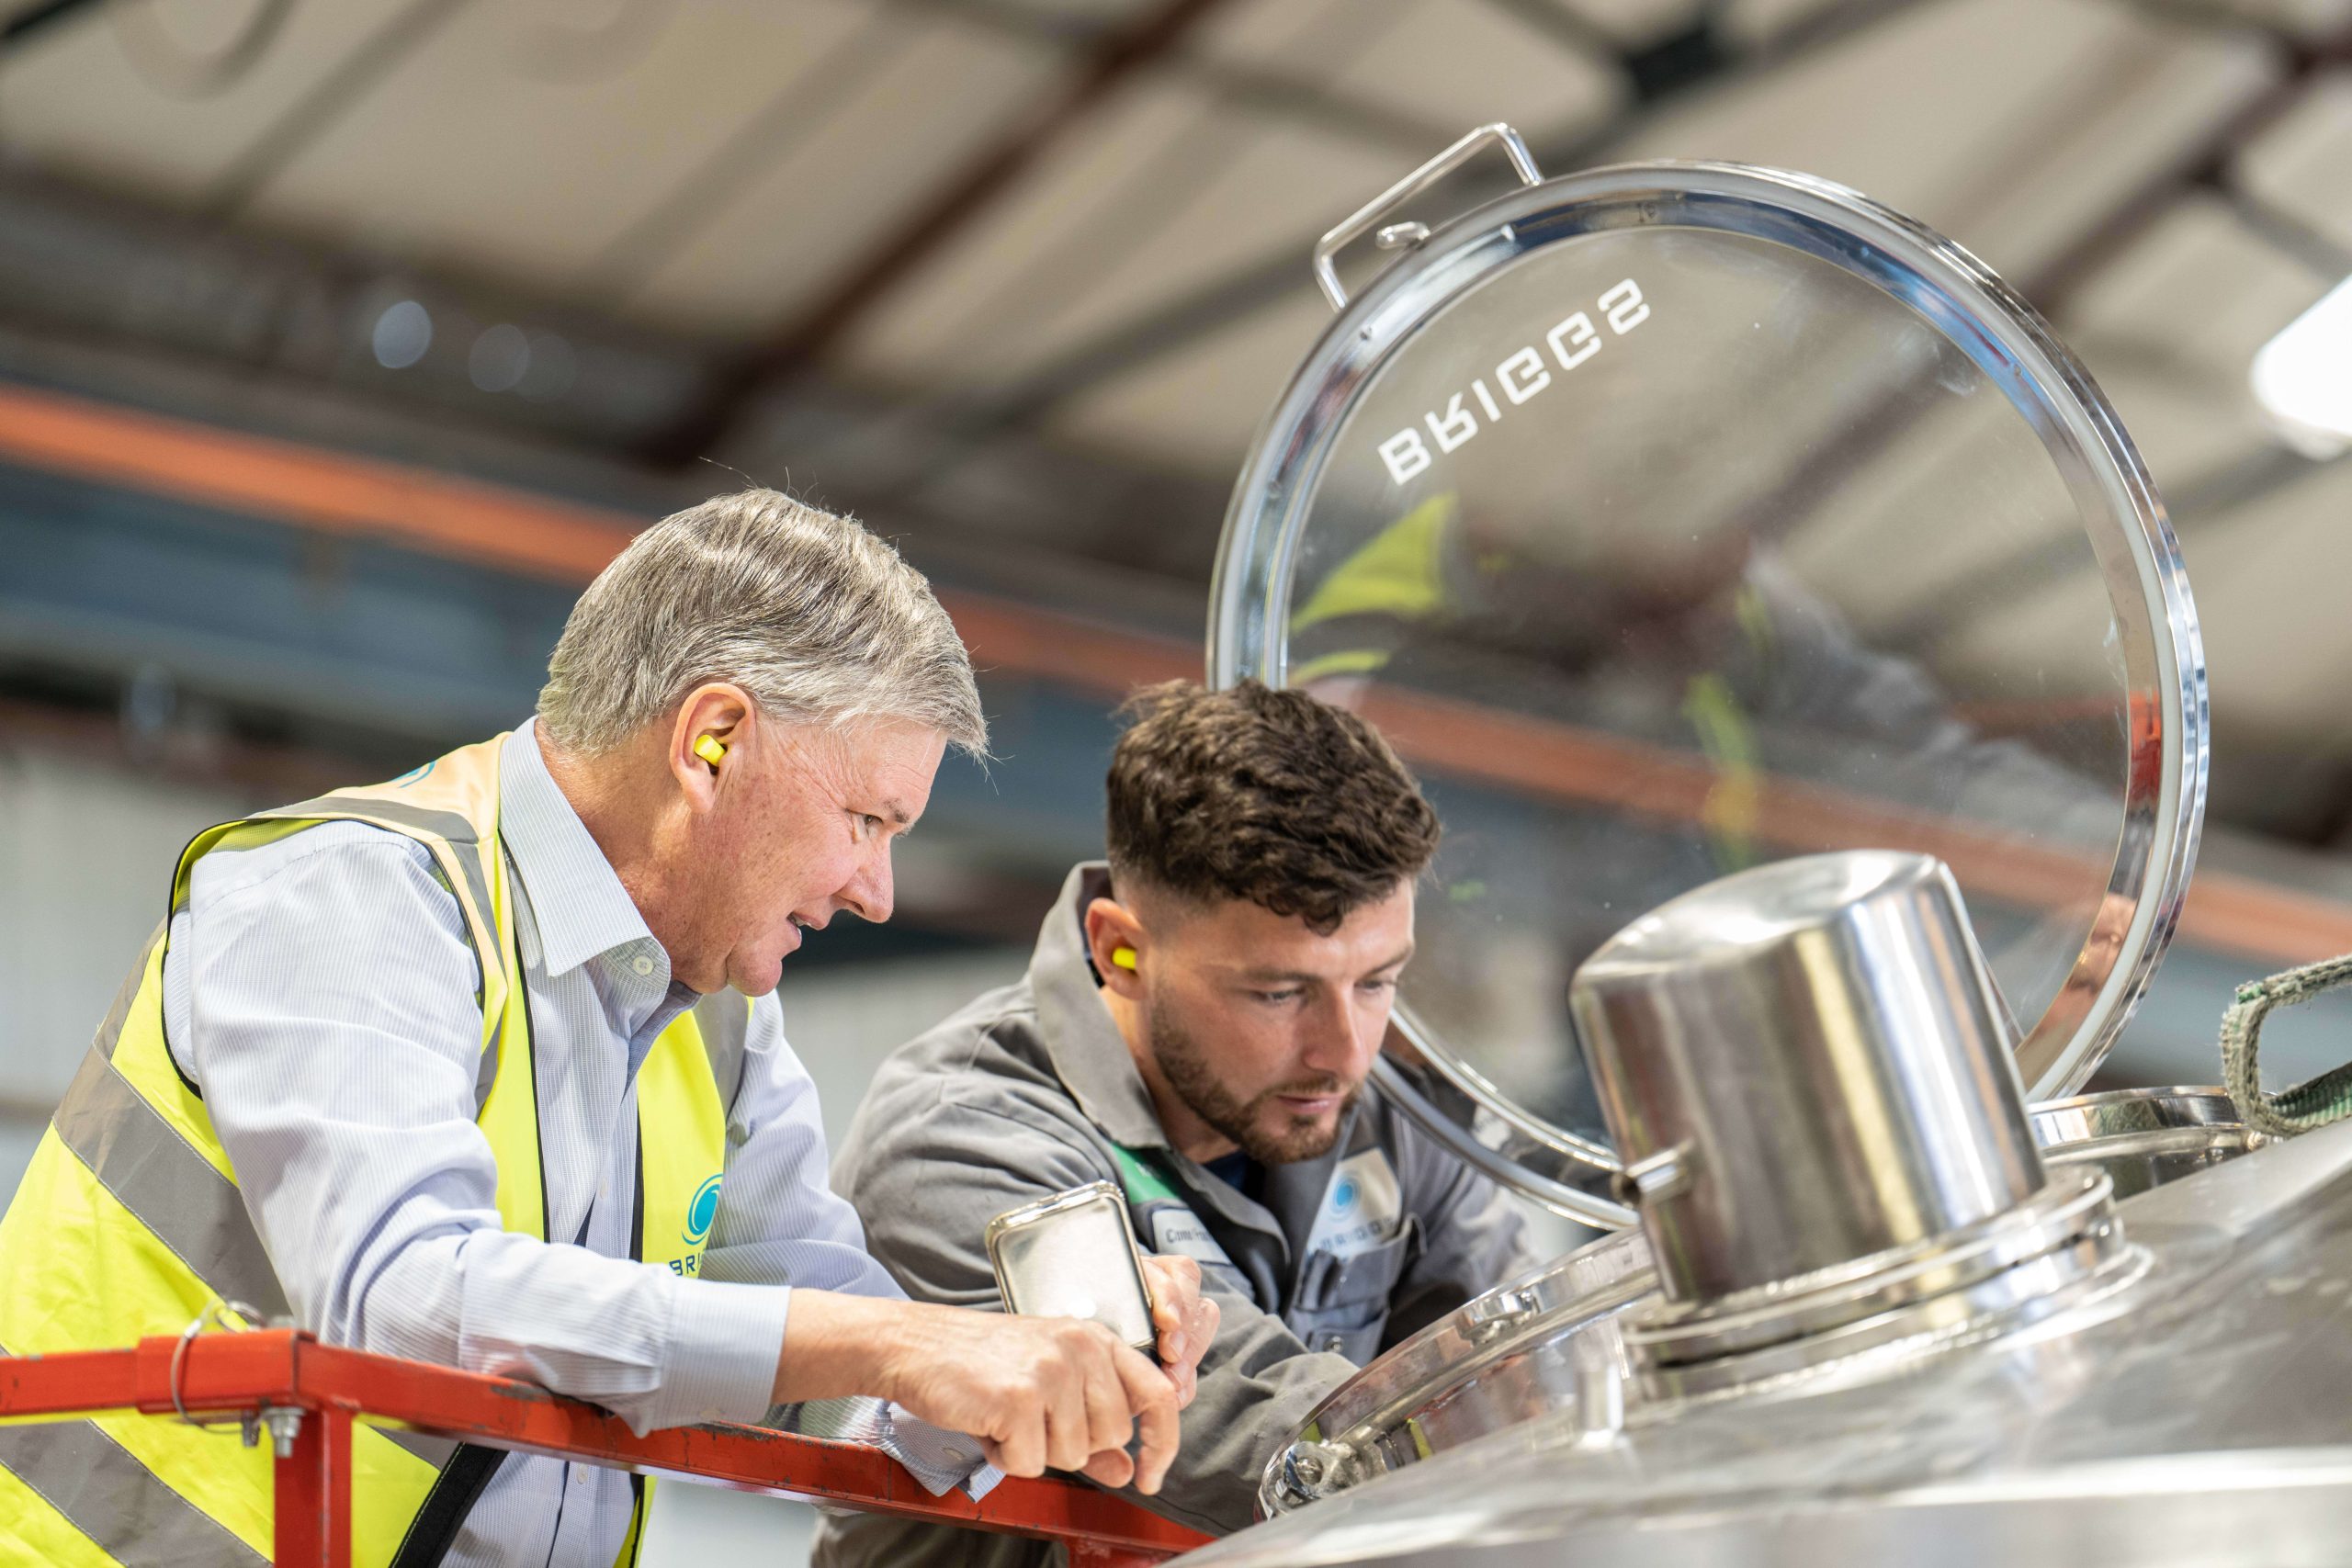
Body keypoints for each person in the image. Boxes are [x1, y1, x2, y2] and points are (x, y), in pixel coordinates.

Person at [0, 490, 1213, 1568]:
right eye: (866, 817)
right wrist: (901, 1340)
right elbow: (409, 1293)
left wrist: (1040, 1374)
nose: (877, 889)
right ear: (714, 739)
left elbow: (840, 1373)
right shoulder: (349, 892)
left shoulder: (724, 1019)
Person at [814, 680, 1536, 1566]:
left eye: (1377, 980)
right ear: (1121, 949)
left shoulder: (1391, 1113)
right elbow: (1251, 1433)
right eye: (1279, 991)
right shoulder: (961, 1143)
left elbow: (1519, 1362)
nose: (1343, 1050)